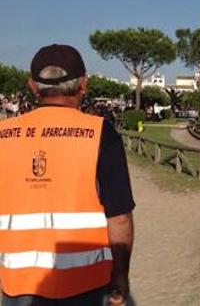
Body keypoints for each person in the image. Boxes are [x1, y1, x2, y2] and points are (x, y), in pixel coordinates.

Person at [0, 44, 135, 305]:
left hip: (18, 285)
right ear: (84, 83)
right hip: (87, 284)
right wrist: (121, 275)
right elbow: (119, 219)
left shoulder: (4, 134)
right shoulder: (101, 134)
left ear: (32, 86)